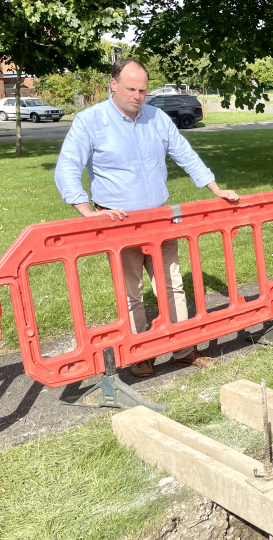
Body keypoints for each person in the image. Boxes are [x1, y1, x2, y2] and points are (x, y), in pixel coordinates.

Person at [54, 58, 240, 378]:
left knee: (173, 286)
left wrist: (215, 188)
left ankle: (184, 349)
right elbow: (67, 168)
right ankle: (141, 354)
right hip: (118, 223)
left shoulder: (157, 117)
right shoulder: (90, 121)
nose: (138, 96)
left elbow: (184, 153)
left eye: (143, 89)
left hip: (159, 219)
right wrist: (89, 213)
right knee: (131, 292)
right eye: (131, 89)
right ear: (112, 84)